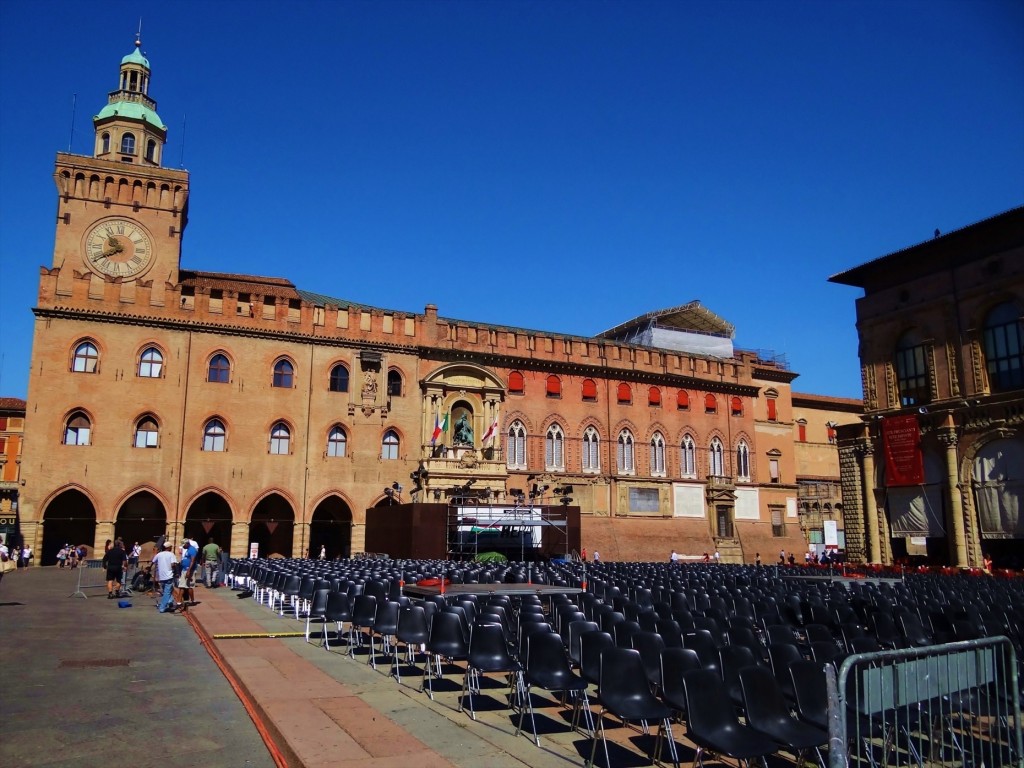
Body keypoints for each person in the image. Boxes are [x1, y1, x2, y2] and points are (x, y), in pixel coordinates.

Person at [174, 538, 198, 612]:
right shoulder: (188, 549)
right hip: (184, 570)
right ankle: (178, 602)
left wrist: (189, 571)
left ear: (187, 544)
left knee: (189, 586)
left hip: (189, 570)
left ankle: (192, 600)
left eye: (184, 545)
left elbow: (192, 561)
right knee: (182, 586)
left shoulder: (192, 550)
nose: (183, 547)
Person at [152, 540, 177, 613]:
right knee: (167, 592)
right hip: (168, 576)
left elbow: (153, 561)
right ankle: (162, 607)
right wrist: (175, 570)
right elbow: (173, 565)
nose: (171, 548)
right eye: (171, 547)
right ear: (168, 547)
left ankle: (170, 602)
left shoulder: (159, 554)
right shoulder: (171, 554)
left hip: (161, 577)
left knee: (168, 590)